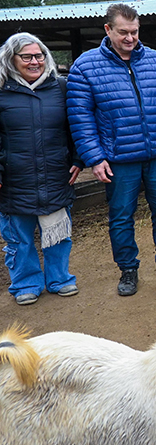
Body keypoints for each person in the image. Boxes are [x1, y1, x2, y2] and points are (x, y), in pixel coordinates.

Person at [67, 3, 156, 296]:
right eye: (123, 32)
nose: (130, 38)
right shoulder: (85, 67)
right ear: (108, 29)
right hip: (118, 157)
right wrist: (94, 157)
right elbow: (80, 117)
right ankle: (128, 269)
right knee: (121, 215)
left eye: (134, 32)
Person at [0, 33, 81, 306]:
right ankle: (26, 283)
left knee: (58, 232)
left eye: (39, 56)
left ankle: (60, 279)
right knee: (19, 238)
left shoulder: (61, 88)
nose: (35, 61)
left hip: (55, 173)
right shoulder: (1, 91)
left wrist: (79, 160)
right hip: (14, 178)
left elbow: (76, 129)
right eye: (27, 57)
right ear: (11, 60)